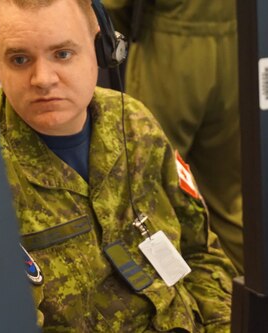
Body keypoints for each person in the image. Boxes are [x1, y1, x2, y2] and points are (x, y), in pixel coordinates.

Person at [0, 0, 237, 331]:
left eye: (62, 54)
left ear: (102, 49)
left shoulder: (135, 123)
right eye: (20, 59)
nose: (43, 79)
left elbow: (201, 255)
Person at [103, 0, 244, 273]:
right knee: (229, 198)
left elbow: (114, 4)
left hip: (170, 50)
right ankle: (251, 300)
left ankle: (163, 300)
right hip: (236, 47)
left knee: (144, 190)